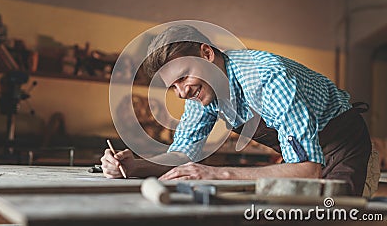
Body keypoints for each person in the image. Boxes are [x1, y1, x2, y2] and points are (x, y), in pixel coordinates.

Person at [101, 24, 377, 196]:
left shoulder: (268, 77)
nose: (182, 92)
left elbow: (308, 170)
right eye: (173, 86)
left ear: (207, 54)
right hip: (304, 159)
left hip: (343, 146)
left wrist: (216, 173)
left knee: (333, 215)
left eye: (184, 77)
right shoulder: (202, 93)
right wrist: (135, 166)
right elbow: (183, 155)